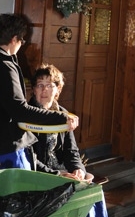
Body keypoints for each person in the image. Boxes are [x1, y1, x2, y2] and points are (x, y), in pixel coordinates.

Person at [28, 63, 114, 217]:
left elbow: (72, 153)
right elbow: (29, 158)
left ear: (58, 89)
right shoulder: (27, 116)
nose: (44, 90)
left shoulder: (63, 115)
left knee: (94, 195)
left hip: (64, 174)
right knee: (79, 199)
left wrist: (78, 171)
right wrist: (59, 174)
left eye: (49, 85)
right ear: (33, 90)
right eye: (39, 85)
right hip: (41, 176)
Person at [0, 13, 78, 169]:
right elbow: (19, 110)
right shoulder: (5, 66)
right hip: (6, 147)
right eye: (22, 40)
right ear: (14, 39)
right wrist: (63, 117)